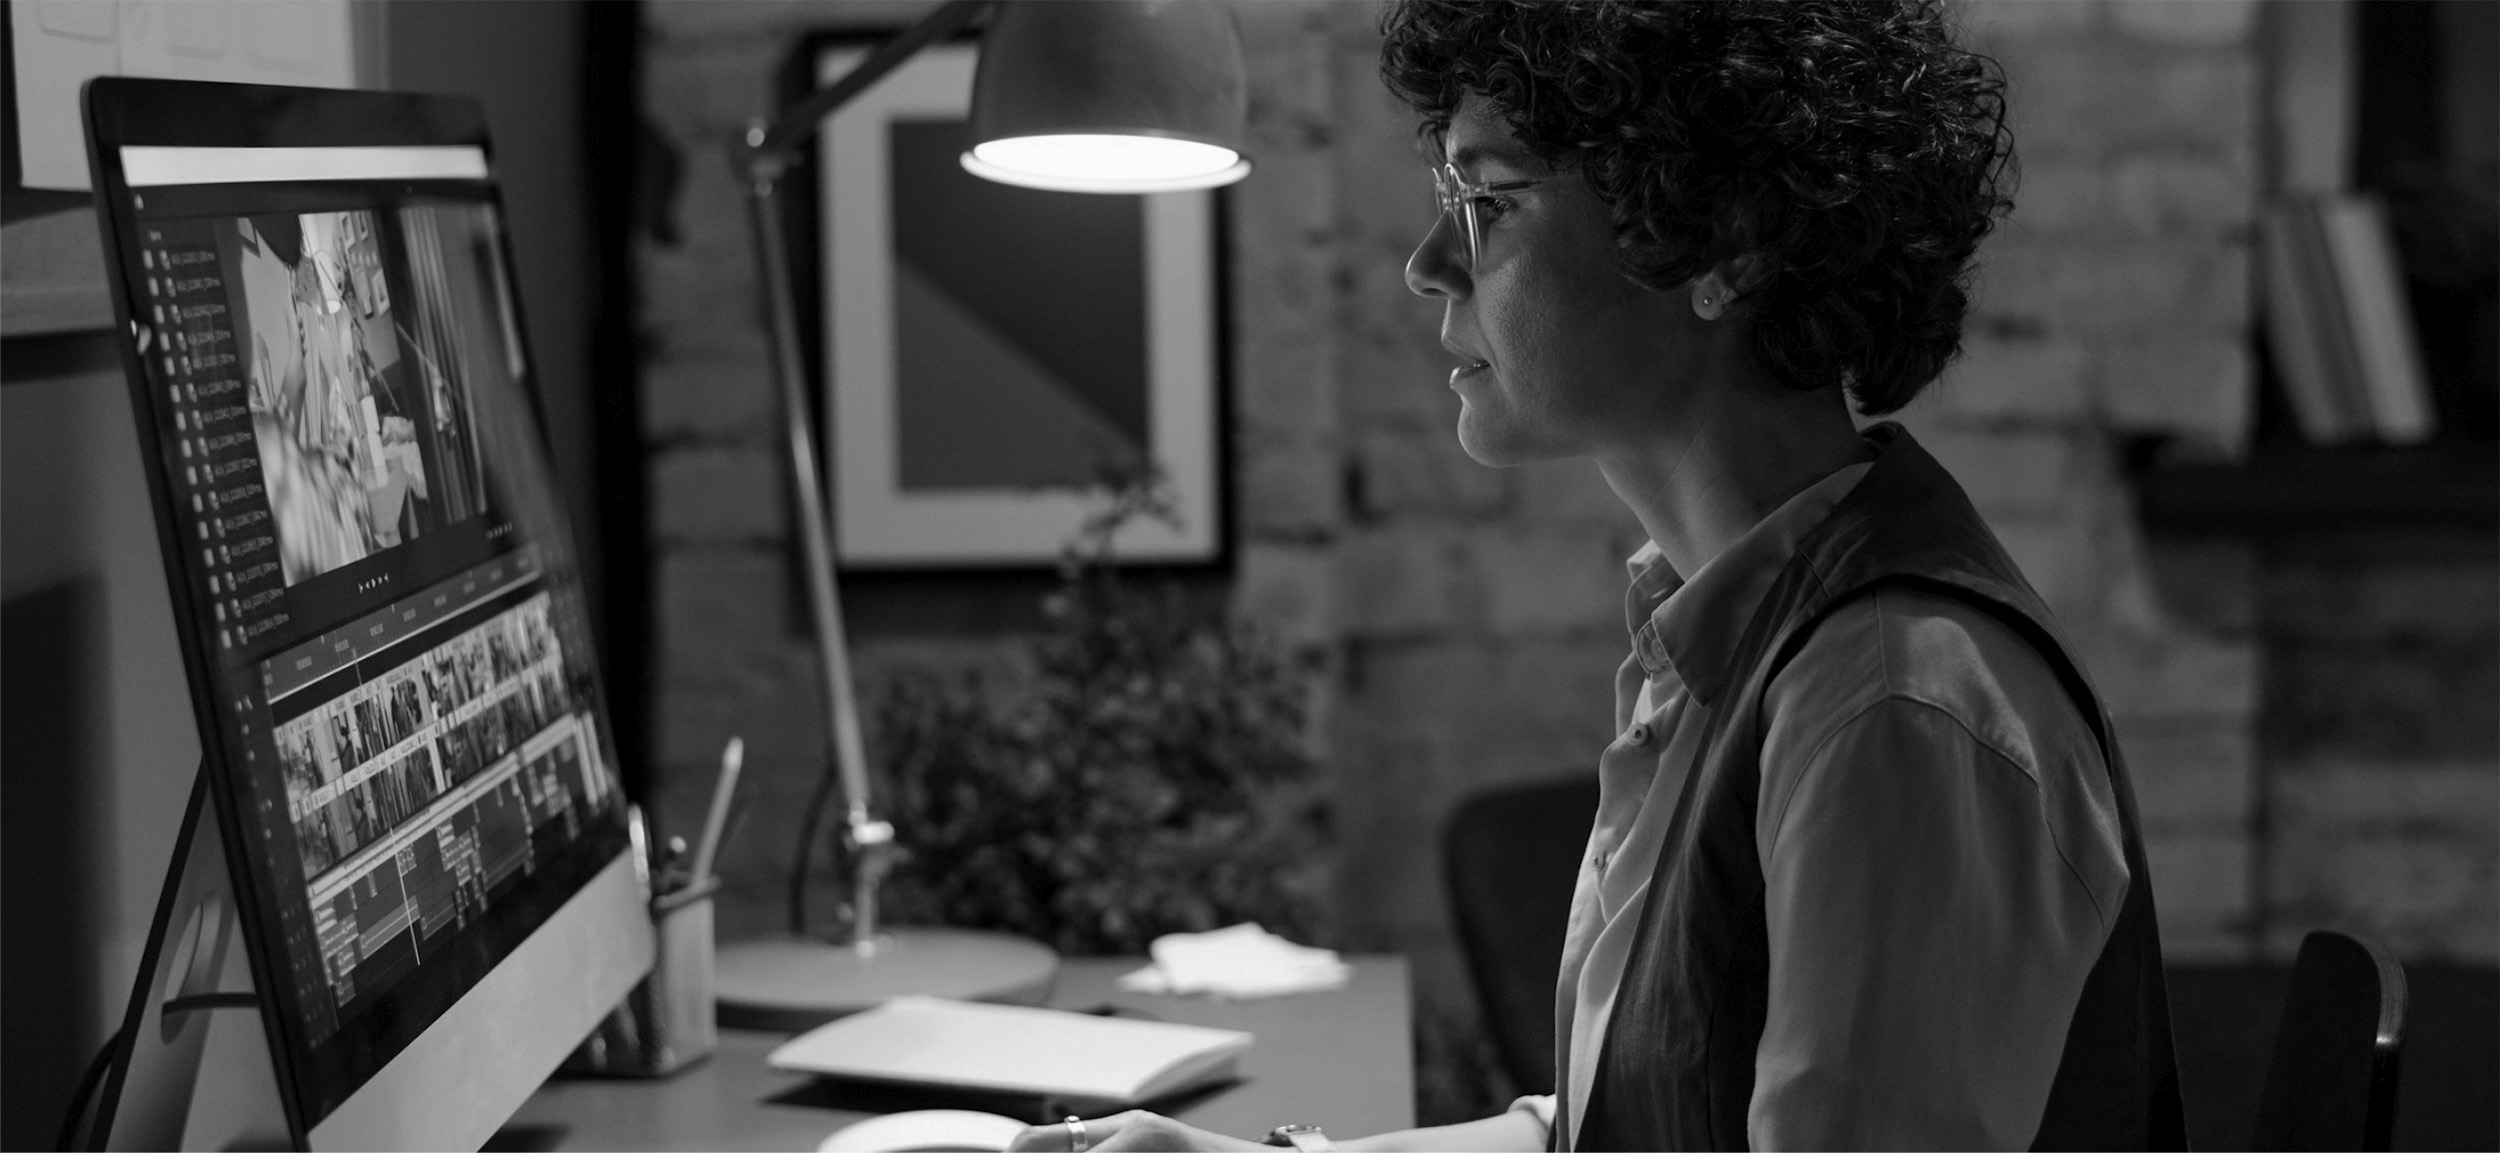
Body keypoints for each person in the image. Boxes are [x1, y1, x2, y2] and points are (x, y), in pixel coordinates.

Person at [1010, 1, 2184, 1149]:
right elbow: (1621, 1124)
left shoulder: (1890, 707)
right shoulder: (1731, 615)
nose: (1426, 266)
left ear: (1723, 240)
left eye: (1488, 201)